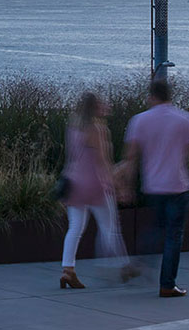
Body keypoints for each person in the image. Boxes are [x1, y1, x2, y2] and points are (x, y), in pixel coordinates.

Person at [118, 78, 189, 298]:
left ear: (151, 96)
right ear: (170, 96)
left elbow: (130, 158)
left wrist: (126, 186)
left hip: (153, 187)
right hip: (178, 186)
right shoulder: (186, 119)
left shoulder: (138, 121)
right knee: (174, 235)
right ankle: (167, 285)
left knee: (156, 228)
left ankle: (140, 261)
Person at [58, 91, 135, 289]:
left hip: (74, 183)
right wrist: (120, 186)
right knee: (109, 227)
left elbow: (71, 157)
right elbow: (103, 162)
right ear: (95, 108)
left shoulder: (72, 127)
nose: (105, 106)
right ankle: (123, 265)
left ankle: (68, 270)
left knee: (75, 227)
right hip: (95, 185)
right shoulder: (97, 129)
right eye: (101, 103)